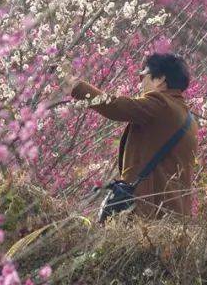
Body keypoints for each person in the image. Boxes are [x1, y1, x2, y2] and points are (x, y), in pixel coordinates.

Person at [63, 53, 198, 219]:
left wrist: (76, 87)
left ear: (160, 79)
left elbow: (116, 106)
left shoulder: (162, 104)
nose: (140, 82)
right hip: (173, 213)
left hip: (150, 211)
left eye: (143, 76)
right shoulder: (187, 117)